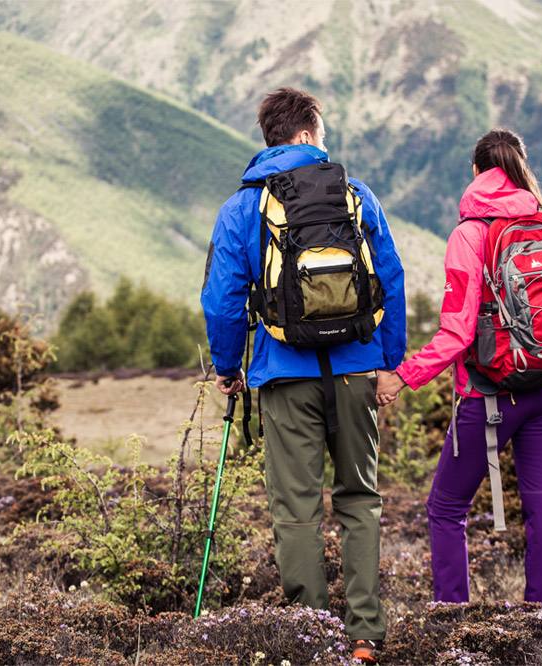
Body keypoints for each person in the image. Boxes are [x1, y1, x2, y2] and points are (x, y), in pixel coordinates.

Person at [375, 128, 542, 609]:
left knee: (446, 508)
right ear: (518, 169)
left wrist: (403, 376)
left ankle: (453, 619)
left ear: (475, 172)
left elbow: (456, 333)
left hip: (489, 397)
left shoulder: (469, 233)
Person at [201, 87, 406, 664]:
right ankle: (365, 635)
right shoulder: (357, 195)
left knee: (296, 509)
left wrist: (228, 367)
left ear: (268, 137)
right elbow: (391, 278)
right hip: (356, 372)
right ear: (310, 134)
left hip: (282, 374)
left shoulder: (243, 206)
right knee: (360, 499)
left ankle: (311, 634)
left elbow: (221, 300)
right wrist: (389, 363)